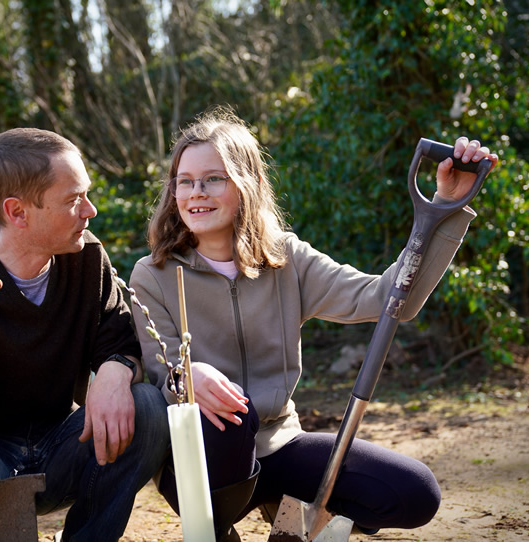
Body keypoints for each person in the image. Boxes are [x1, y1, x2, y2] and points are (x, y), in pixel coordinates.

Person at [129, 107, 498, 540]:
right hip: (202, 459)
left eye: (214, 178)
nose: (196, 193)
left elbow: (389, 299)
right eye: (185, 181)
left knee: (414, 492)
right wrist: (187, 376)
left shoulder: (286, 258)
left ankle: (290, 524)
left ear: (249, 185)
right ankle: (216, 530)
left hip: (280, 443)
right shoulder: (151, 275)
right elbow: (158, 374)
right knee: (234, 414)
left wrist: (445, 208)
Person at [0, 128, 170, 542]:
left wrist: (115, 373)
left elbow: (120, 345)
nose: (91, 211)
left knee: (149, 406)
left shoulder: (86, 259)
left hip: (60, 448)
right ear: (17, 212)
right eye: (73, 200)